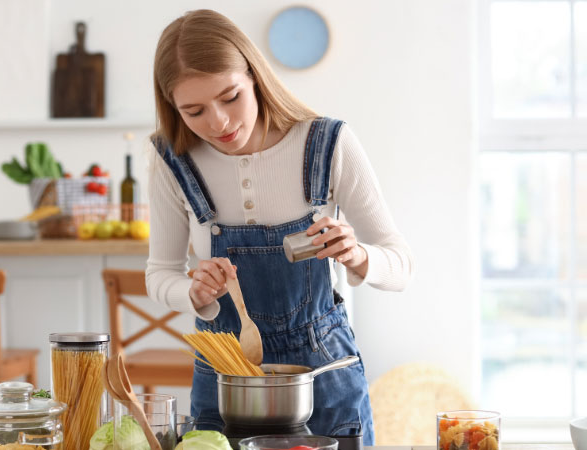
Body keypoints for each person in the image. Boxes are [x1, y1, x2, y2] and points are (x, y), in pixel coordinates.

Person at [145, 9, 413, 444]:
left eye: (230, 97)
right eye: (193, 111)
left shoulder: (327, 143)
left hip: (323, 376)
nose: (218, 123)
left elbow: (401, 265)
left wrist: (358, 255)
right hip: (226, 376)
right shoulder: (171, 160)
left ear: (254, 75)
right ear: (172, 106)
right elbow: (159, 274)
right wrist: (192, 291)